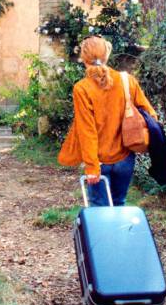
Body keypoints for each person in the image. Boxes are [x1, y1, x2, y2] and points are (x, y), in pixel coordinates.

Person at [58, 36, 158, 206]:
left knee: (99, 211)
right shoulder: (127, 81)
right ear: (106, 56)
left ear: (84, 58)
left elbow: (87, 130)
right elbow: (151, 115)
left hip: (99, 161)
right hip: (126, 158)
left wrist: (91, 167)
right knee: (119, 205)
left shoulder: (82, 88)